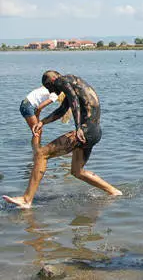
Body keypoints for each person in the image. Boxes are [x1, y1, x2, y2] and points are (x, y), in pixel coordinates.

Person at [3, 70, 122, 209]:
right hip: (95, 132)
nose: (51, 91)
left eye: (49, 87)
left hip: (84, 131)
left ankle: (26, 199)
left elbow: (74, 101)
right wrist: (43, 122)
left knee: (41, 154)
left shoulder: (61, 80)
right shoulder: (74, 83)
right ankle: (114, 192)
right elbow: (64, 108)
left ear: (52, 80)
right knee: (77, 171)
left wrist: (78, 128)